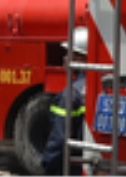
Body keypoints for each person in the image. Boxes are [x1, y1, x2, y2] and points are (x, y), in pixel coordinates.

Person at [42, 27, 88, 176]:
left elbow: (60, 137)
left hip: (73, 166)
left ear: (80, 59)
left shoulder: (70, 95)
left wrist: (48, 165)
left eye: (69, 54)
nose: (65, 58)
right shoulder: (100, 86)